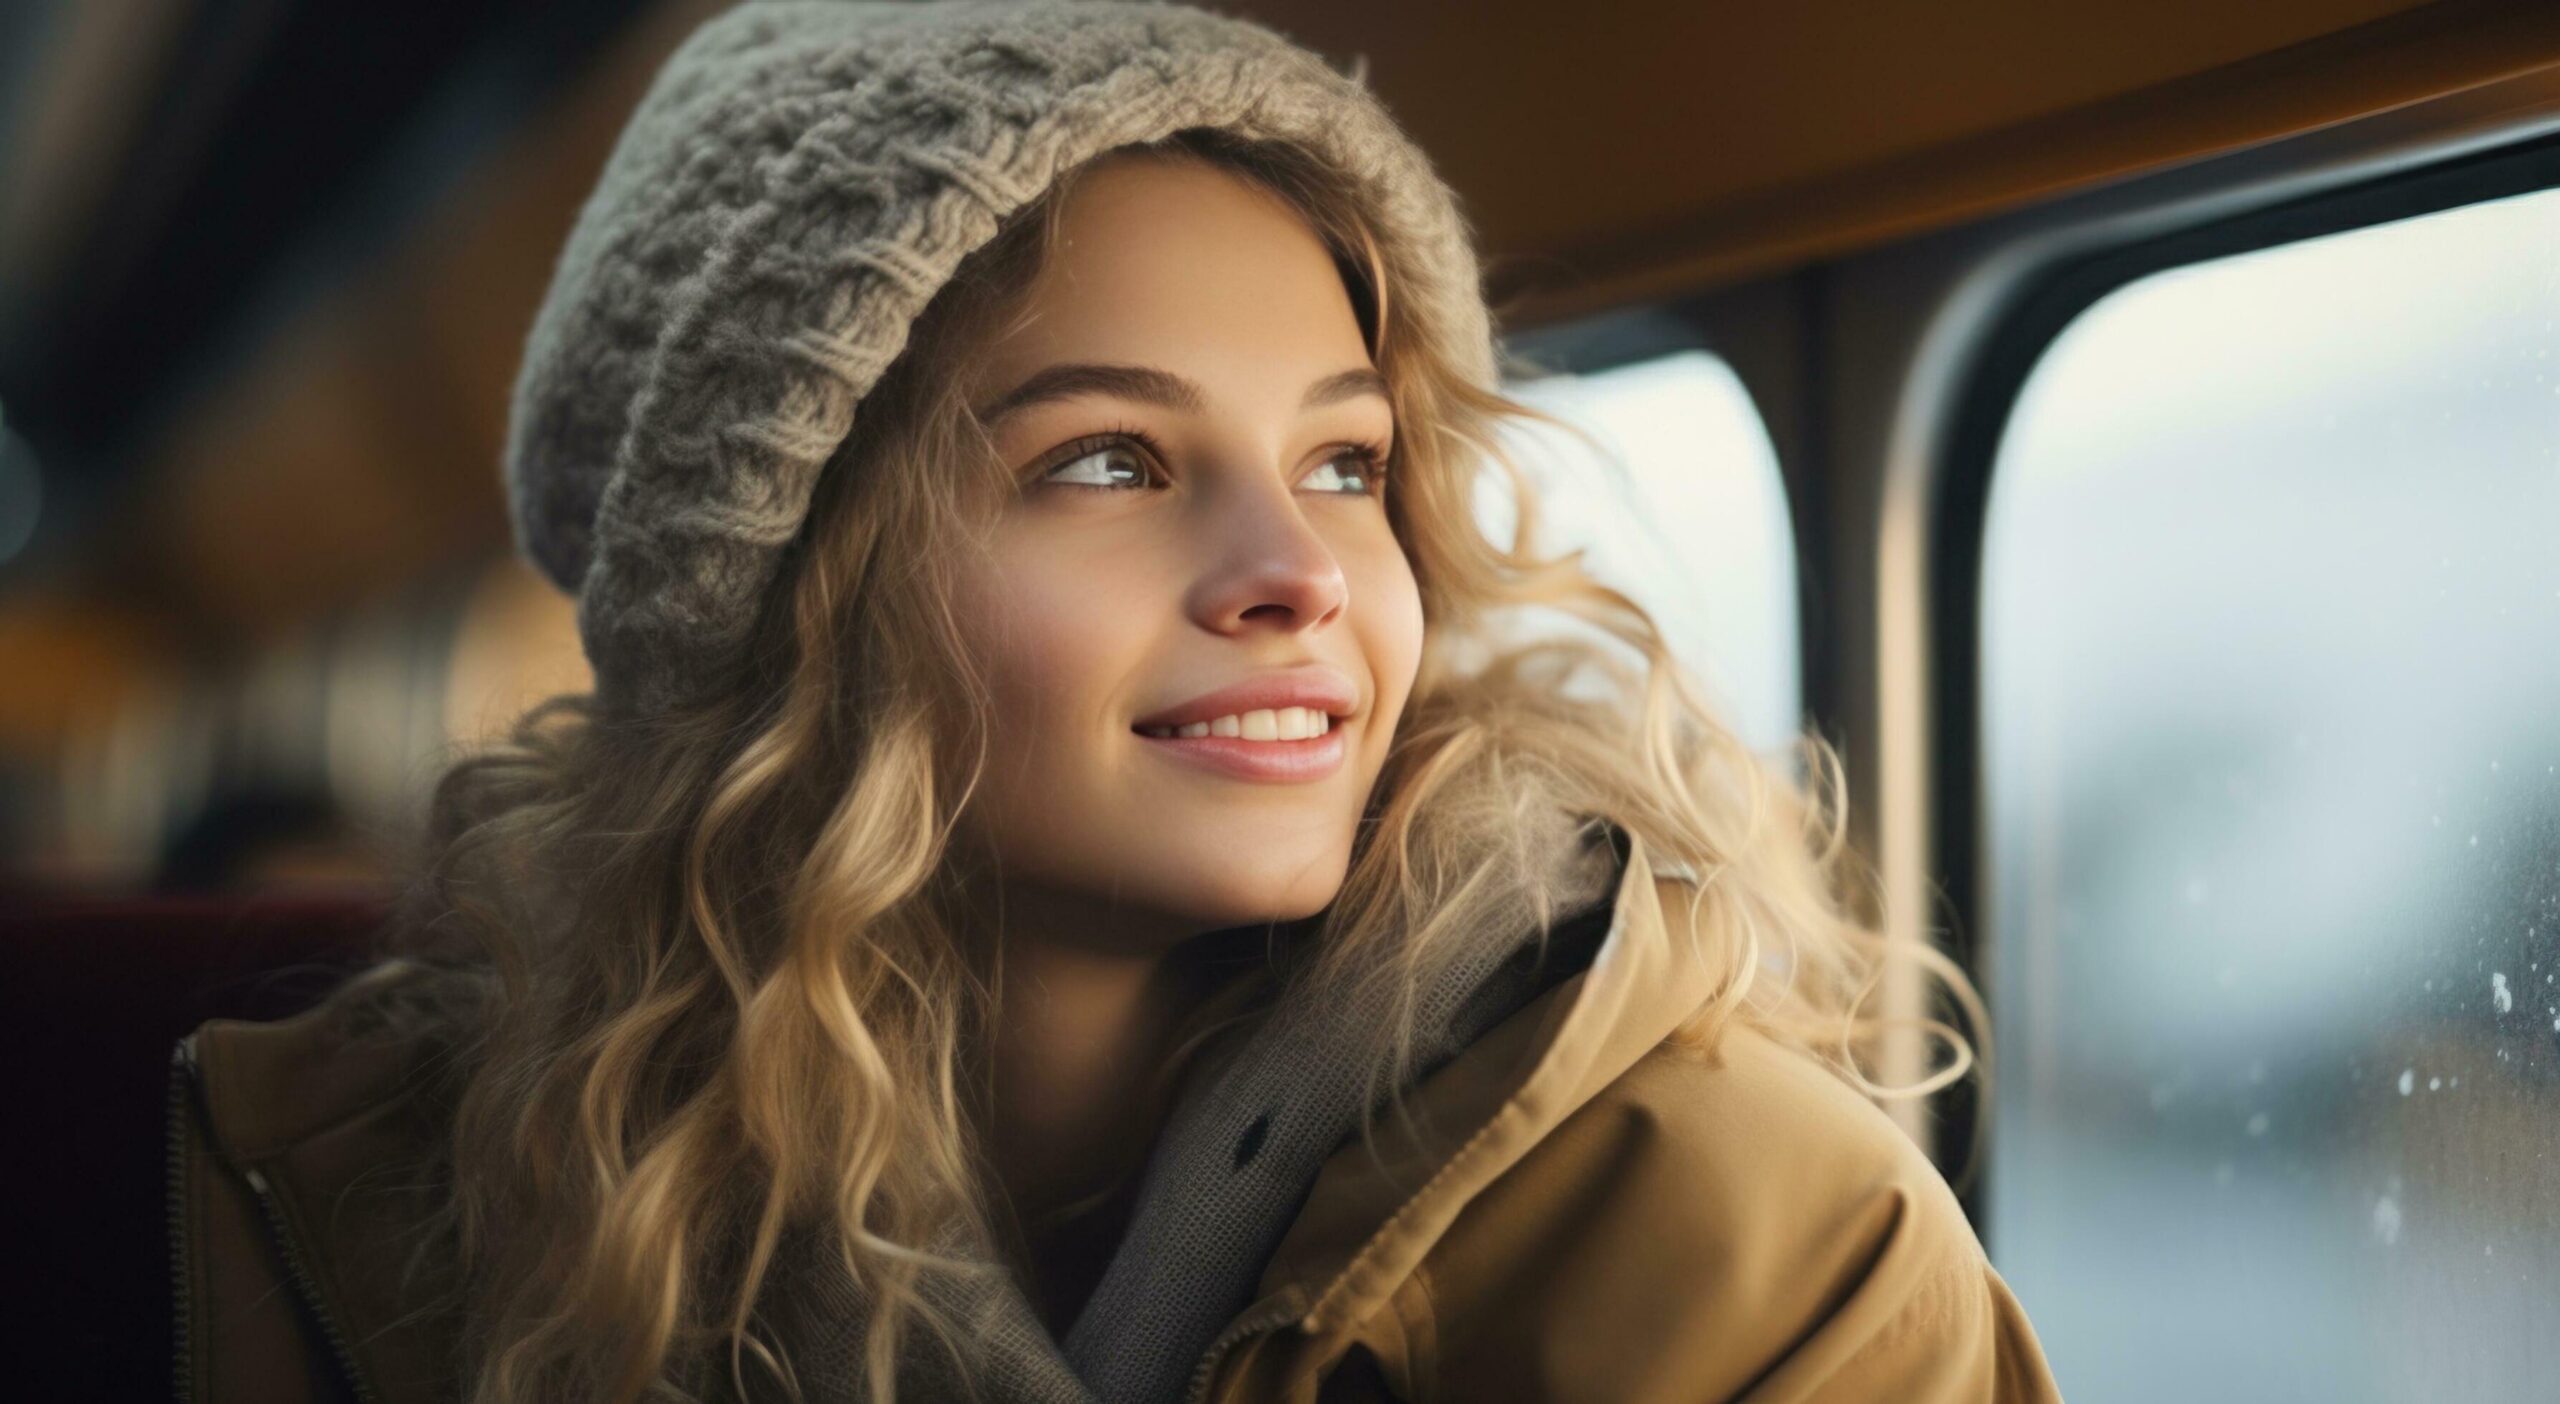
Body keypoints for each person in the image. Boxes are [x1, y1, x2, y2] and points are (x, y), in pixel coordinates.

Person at [166, 3, 2065, 1400]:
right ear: (779, 601)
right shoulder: (405, 1206)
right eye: (1110, 464)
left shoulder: (1754, 1252)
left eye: (1346, 465)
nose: (1302, 572)